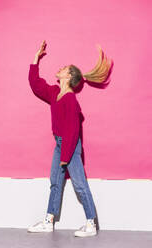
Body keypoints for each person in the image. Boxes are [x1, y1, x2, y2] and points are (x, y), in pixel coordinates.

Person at [27, 40, 112, 237]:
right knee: (55, 182)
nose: (60, 68)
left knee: (80, 185)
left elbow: (72, 131)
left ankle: (91, 224)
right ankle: (49, 221)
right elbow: (35, 84)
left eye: (64, 68)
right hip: (60, 144)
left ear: (69, 76)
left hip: (70, 147)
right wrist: (35, 58)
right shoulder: (55, 92)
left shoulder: (71, 100)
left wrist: (65, 156)